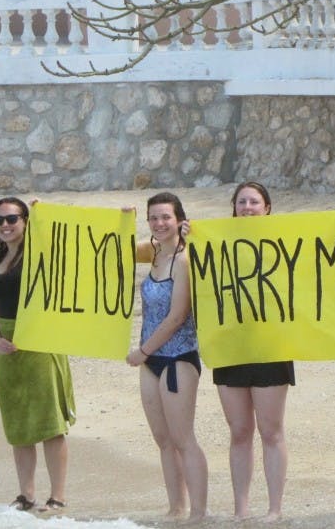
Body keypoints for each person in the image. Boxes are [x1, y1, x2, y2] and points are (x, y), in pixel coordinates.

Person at [0, 196, 75, 513]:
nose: (5, 225)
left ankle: (58, 496)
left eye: (12, 219)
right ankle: (26, 495)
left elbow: (68, 239)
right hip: (8, 354)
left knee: (50, 424)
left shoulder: (39, 255)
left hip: (41, 346)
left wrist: (44, 209)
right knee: (19, 425)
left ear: (25, 221)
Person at [125, 192, 208, 520]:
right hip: (150, 362)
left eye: (165, 217)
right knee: (163, 440)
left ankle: (200, 512)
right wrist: (122, 219)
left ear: (179, 220)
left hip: (178, 358)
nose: (159, 223)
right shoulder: (154, 253)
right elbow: (110, 247)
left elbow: (177, 316)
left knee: (183, 437)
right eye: (153, 218)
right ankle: (176, 508)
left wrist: (142, 351)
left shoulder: (186, 260)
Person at [213, 181, 293, 520]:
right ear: (233, 207)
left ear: (267, 208)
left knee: (271, 431)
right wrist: (187, 235)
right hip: (230, 348)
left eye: (254, 202)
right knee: (239, 432)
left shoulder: (286, 240)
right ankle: (241, 509)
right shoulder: (215, 244)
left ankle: (275, 509)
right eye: (241, 202)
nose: (247, 207)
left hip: (272, 347)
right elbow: (161, 249)